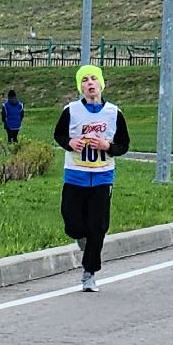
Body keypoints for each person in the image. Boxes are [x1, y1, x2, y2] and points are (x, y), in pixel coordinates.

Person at [54, 64, 130, 293]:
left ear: (101, 84)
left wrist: (107, 146)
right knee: (73, 224)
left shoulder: (114, 113)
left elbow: (124, 145)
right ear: (80, 87)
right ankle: (84, 243)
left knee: (98, 227)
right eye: (84, 80)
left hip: (102, 176)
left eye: (93, 79)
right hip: (75, 175)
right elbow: (58, 134)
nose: (89, 83)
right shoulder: (71, 110)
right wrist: (70, 143)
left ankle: (89, 273)